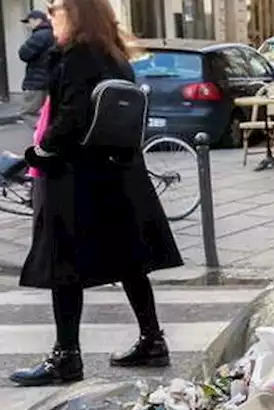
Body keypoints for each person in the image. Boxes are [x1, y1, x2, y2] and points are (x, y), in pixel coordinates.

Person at [12, 0, 182, 387]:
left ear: (77, 12)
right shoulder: (114, 55)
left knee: (63, 263)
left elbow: (69, 117)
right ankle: (152, 340)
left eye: (56, 7)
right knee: (130, 261)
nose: (51, 13)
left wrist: (37, 153)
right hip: (120, 173)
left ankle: (65, 357)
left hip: (76, 177)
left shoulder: (76, 56)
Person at [18, 10, 55, 120]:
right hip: (51, 80)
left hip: (37, 81)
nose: (28, 26)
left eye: (29, 22)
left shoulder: (39, 35)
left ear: (37, 20)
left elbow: (24, 53)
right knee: (49, 113)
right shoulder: (54, 33)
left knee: (28, 113)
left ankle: (42, 134)